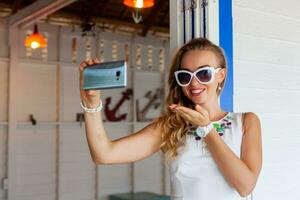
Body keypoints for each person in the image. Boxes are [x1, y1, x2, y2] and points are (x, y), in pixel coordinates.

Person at [78, 37, 262, 200]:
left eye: (203, 73)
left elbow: (245, 186)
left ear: (220, 75)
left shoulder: (246, 122)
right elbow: (103, 154)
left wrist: (206, 128)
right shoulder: (171, 127)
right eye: (185, 76)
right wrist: (91, 103)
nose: (194, 82)